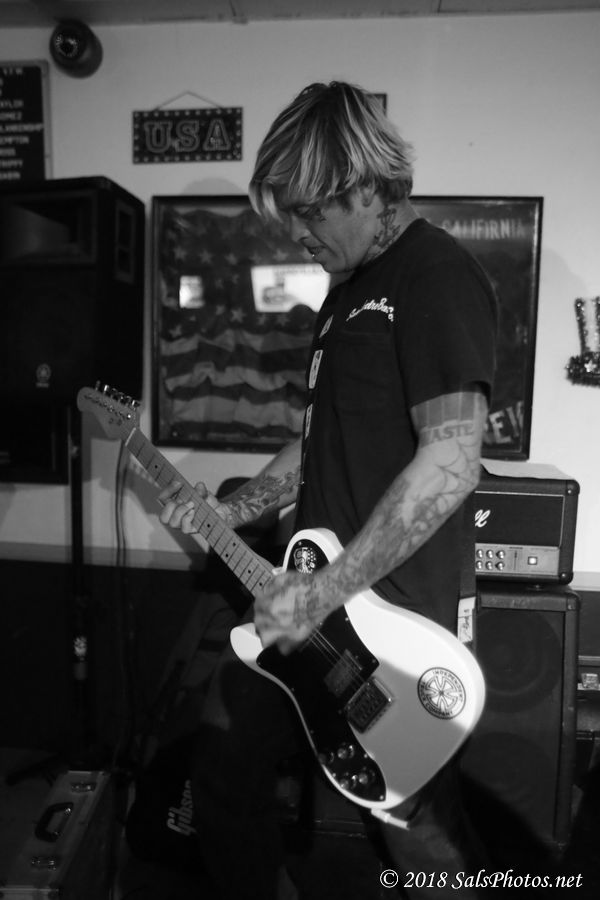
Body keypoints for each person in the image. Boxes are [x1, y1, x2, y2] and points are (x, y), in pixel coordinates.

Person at [158, 81, 497, 899]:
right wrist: (233, 509)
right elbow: (316, 442)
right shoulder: (343, 294)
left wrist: (325, 591)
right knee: (223, 762)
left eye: (311, 211)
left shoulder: (435, 274)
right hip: (310, 600)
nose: (299, 233)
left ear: (368, 187)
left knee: (416, 827)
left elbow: (453, 460)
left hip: (395, 617)